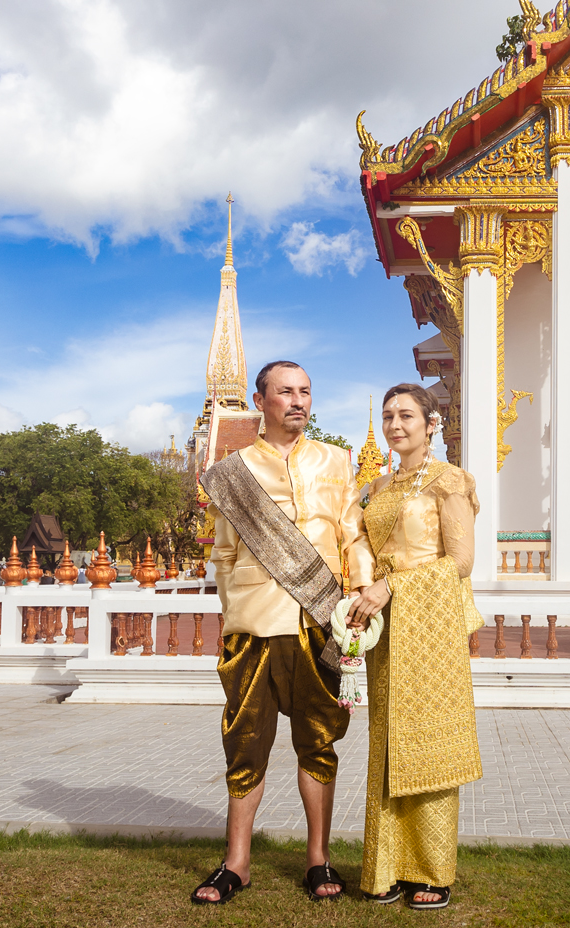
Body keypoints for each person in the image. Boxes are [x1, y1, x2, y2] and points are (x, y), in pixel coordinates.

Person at [193, 360, 372, 905]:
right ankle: (237, 862)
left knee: (319, 744)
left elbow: (353, 536)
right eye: (285, 392)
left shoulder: (337, 462)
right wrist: (235, 608)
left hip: (321, 624)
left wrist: (361, 597)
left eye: (305, 392)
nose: (298, 401)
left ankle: (318, 859)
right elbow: (223, 554)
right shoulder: (233, 470)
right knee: (245, 746)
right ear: (260, 399)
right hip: (253, 628)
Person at [346, 383, 483, 910]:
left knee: (429, 745)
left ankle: (432, 871)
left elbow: (461, 561)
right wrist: (362, 591)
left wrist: (394, 586)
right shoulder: (376, 488)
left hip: (430, 627)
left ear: (431, 424)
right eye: (388, 416)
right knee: (387, 744)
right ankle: (386, 868)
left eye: (407, 415)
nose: (395, 425)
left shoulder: (450, 481)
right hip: (384, 627)